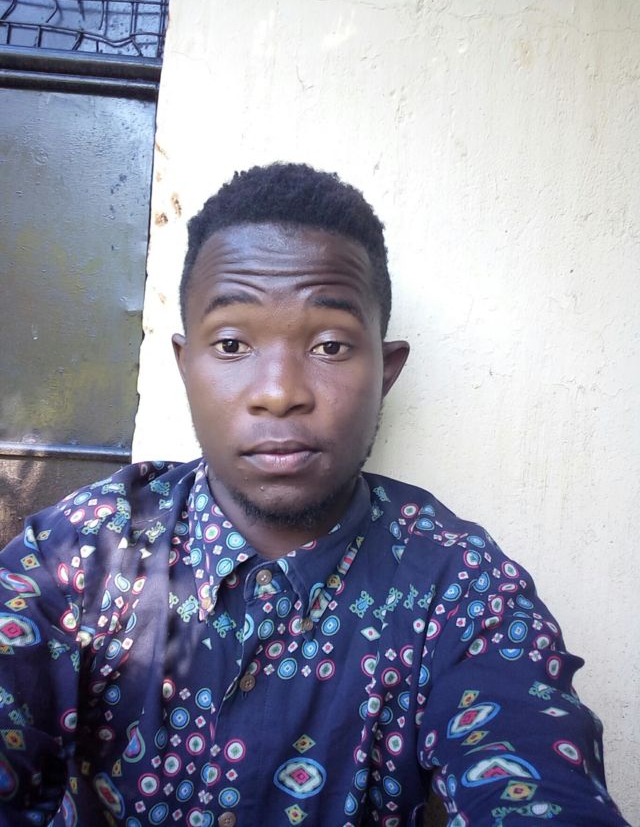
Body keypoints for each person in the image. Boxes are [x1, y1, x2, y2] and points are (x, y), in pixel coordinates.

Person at [0, 163, 628, 826]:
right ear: (186, 366)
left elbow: (530, 771)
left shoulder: (458, 584)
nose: (279, 392)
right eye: (232, 343)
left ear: (385, 372)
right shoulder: (84, 551)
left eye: (329, 345)